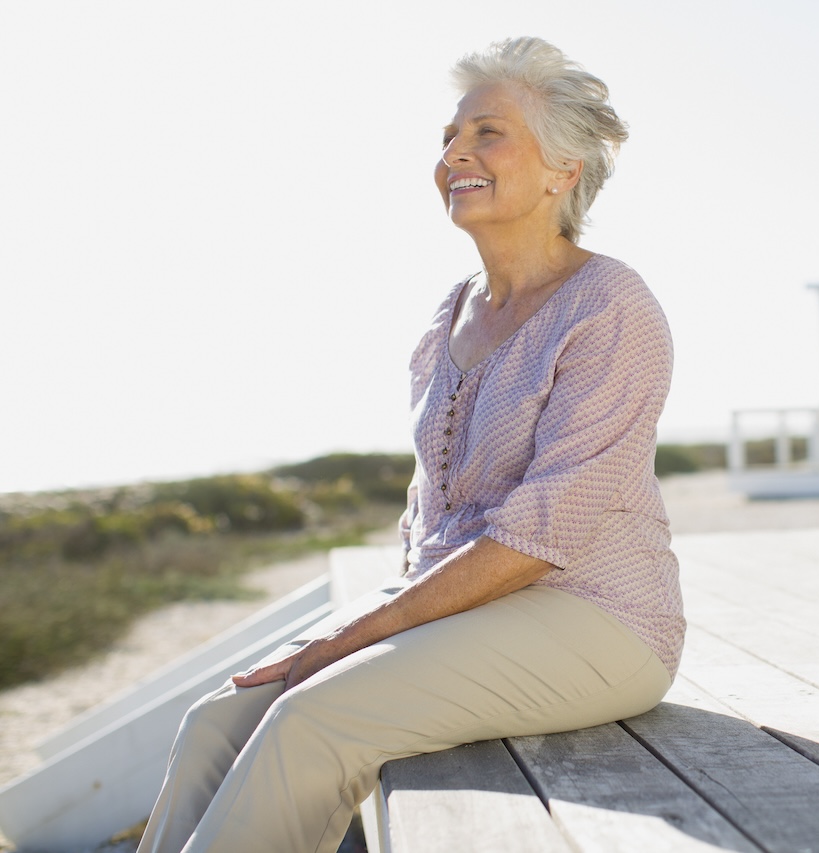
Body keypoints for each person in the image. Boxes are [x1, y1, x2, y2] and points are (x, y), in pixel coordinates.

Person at [137, 37, 684, 853]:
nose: (454, 153)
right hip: (466, 602)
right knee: (217, 718)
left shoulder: (611, 307)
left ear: (562, 171)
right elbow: (429, 493)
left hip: (600, 618)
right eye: (448, 138)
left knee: (312, 717)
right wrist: (372, 620)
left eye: (487, 133)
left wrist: (356, 635)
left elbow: (540, 534)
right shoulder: (450, 311)